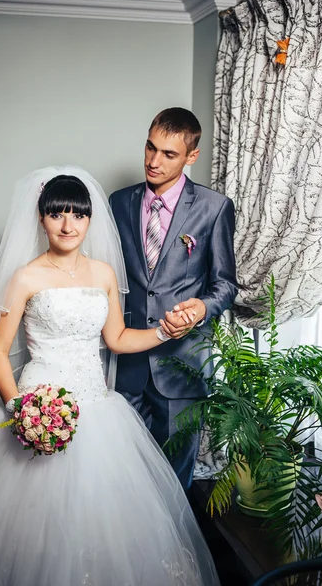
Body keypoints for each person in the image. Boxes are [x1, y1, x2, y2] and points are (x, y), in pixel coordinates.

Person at [0, 166, 220, 586]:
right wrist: (22, 410)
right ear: (41, 219)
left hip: (97, 407)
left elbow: (118, 338)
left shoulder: (103, 274)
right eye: (57, 214)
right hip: (39, 405)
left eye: (77, 214)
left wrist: (165, 330)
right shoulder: (25, 277)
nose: (68, 224)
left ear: (90, 219)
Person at [110, 108, 238, 491]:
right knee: (120, 474)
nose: (153, 161)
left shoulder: (215, 208)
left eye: (168, 154)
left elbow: (225, 285)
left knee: (172, 482)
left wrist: (201, 308)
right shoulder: (118, 202)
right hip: (126, 360)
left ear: (191, 156)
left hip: (183, 367)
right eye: (150, 147)